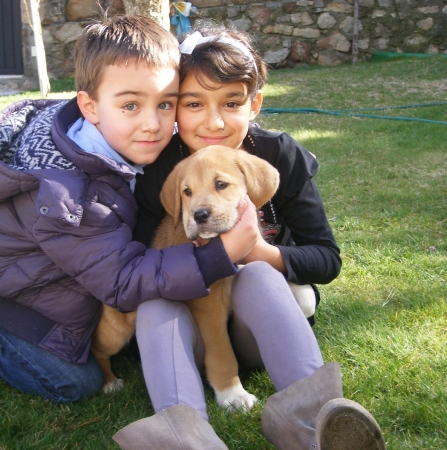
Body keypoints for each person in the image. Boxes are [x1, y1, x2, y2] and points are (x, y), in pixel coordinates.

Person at [0, 15, 258, 406]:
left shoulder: (122, 139)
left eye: (165, 104)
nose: (153, 124)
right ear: (89, 106)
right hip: (10, 292)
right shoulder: (68, 192)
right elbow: (121, 282)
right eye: (131, 105)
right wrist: (218, 257)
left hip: (73, 277)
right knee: (73, 381)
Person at [113, 27, 386, 449]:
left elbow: (326, 259)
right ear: (175, 109)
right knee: (154, 305)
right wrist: (213, 257)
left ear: (254, 103)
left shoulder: (279, 155)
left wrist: (257, 252)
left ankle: (314, 421)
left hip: (258, 329)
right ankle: (183, 436)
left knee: (259, 274)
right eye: (193, 104)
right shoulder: (162, 171)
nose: (214, 121)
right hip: (187, 340)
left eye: (232, 103)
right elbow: (136, 268)